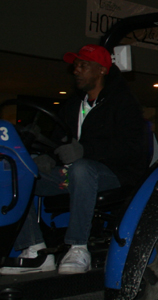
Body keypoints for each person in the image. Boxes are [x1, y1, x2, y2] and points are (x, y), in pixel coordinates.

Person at [1, 44, 148, 275]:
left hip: (114, 174)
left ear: (101, 70)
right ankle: (34, 249)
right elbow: (60, 141)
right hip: (74, 172)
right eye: (76, 65)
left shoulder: (123, 103)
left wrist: (85, 150)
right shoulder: (73, 105)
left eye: (83, 65)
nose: (76, 70)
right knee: (17, 176)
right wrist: (48, 158)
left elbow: (133, 148)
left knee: (81, 168)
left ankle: (78, 247)